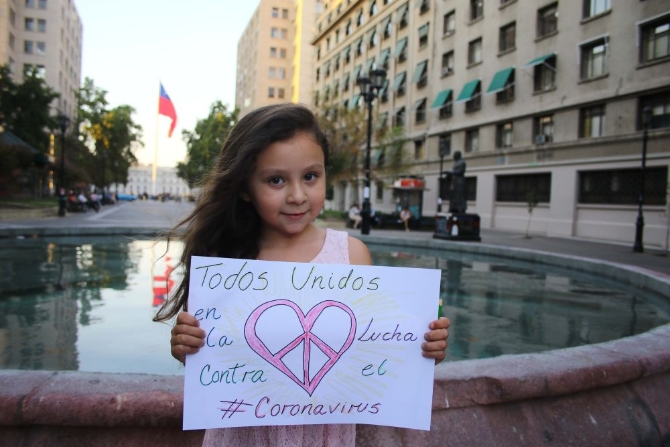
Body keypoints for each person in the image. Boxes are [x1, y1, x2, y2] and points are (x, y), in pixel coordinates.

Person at [153, 104, 450, 447]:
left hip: (324, 434)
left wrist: (423, 347)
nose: (297, 196)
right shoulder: (224, 262)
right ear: (245, 187)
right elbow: (211, 360)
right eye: (276, 180)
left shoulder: (352, 255)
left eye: (310, 176)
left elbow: (375, 349)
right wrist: (185, 345)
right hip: (242, 435)